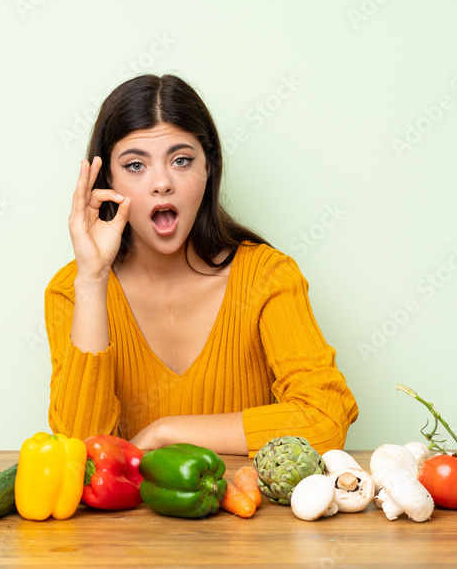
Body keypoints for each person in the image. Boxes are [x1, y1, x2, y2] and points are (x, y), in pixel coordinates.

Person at [45, 74, 358, 457]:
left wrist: (165, 432)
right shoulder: (71, 291)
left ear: (208, 168)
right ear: (108, 179)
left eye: (180, 160)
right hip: (130, 519)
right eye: (135, 165)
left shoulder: (267, 277)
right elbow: (80, 453)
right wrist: (92, 280)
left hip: (248, 515)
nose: (161, 183)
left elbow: (324, 423)